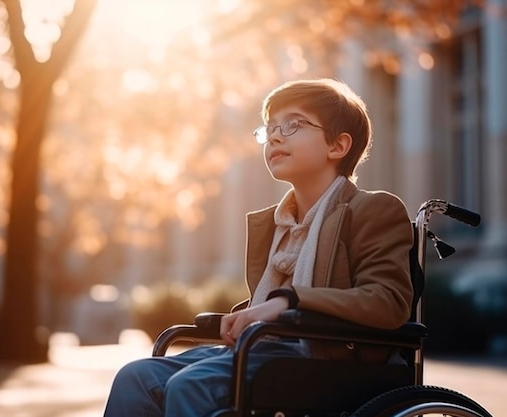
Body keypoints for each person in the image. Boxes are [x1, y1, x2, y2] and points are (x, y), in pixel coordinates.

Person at [102, 78, 414, 416]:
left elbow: (388, 302)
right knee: (136, 376)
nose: (276, 136)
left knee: (189, 385)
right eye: (270, 128)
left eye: (293, 124)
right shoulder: (278, 225)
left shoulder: (374, 209)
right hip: (267, 347)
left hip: (328, 358)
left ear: (337, 146)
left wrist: (286, 302)